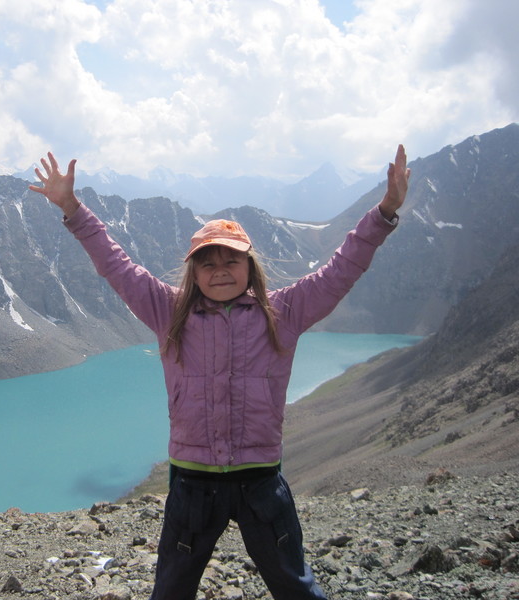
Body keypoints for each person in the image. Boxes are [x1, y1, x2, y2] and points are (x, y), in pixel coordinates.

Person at [29, 146, 410, 600]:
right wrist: (72, 209)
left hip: (261, 482)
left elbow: (341, 270)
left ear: (249, 265)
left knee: (294, 588)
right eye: (207, 263)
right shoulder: (169, 311)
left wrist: (384, 212)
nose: (220, 271)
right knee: (171, 591)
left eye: (231, 260)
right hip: (193, 485)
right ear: (193, 272)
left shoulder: (283, 312)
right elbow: (116, 265)